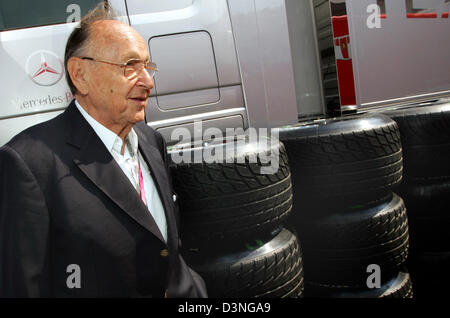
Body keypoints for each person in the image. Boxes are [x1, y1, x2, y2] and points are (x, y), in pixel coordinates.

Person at [0, 3, 207, 298]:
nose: (148, 82)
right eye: (129, 67)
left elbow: (167, 252)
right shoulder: (28, 163)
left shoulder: (151, 141)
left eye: (147, 67)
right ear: (80, 74)